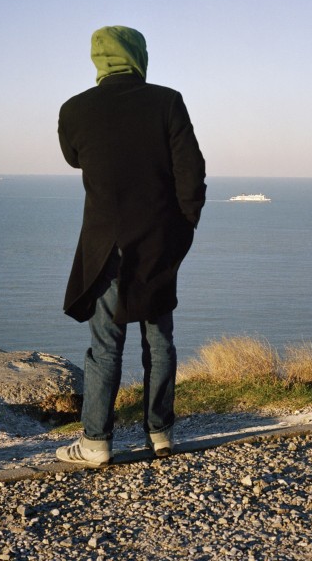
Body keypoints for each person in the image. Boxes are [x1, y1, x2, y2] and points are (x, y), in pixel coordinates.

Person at [56, 26, 206, 467]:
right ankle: (160, 435)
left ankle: (96, 443)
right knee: (159, 342)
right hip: (159, 242)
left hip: (104, 244)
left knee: (105, 346)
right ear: (140, 55)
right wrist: (183, 230)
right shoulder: (168, 101)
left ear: (98, 59)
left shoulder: (74, 109)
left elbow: (74, 156)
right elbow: (191, 173)